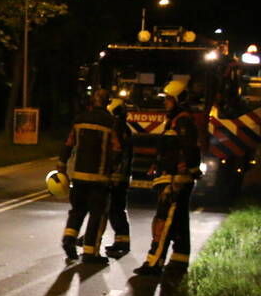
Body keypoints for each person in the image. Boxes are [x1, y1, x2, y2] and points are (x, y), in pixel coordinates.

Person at [133, 92, 201, 275]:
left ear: (179, 100)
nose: (165, 103)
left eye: (169, 100)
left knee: (164, 220)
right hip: (173, 177)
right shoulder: (175, 121)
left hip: (174, 180)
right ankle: (179, 259)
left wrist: (188, 170)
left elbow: (188, 148)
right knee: (179, 220)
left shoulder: (182, 121)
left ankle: (154, 262)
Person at [57, 89, 122, 265]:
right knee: (96, 214)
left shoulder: (79, 119)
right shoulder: (111, 122)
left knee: (77, 210)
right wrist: (113, 169)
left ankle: (69, 239)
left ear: (92, 102)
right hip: (99, 178)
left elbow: (68, 143)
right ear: (107, 103)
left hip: (79, 175)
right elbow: (117, 148)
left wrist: (62, 164)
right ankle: (90, 252)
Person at [105, 96, 133, 258]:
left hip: (116, 176)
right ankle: (122, 240)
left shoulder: (116, 127)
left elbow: (116, 152)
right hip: (122, 176)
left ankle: (121, 241)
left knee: (113, 209)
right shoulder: (125, 128)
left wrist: (109, 170)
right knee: (117, 209)